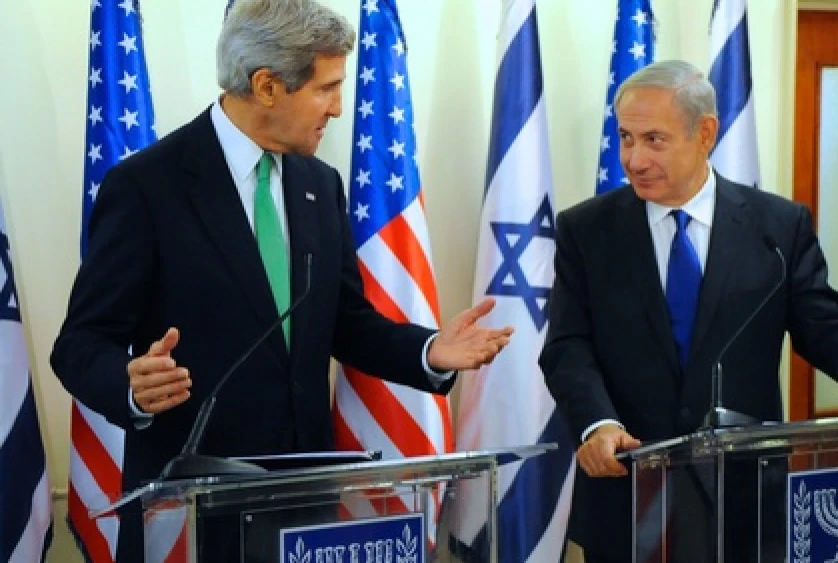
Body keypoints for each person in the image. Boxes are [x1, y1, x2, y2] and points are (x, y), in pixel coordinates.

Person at [50, 0, 513, 559]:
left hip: (301, 510)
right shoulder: (148, 187)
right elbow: (79, 344)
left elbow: (345, 322)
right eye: (325, 88)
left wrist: (430, 350)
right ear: (267, 86)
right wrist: (129, 385)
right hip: (190, 515)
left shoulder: (320, 184)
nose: (338, 109)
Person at [539, 59, 838, 562]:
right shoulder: (587, 231)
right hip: (627, 496)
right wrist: (596, 424)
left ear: (706, 133)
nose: (634, 158)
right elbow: (567, 347)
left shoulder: (776, 227)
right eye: (625, 137)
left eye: (654, 139)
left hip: (744, 501)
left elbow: (830, 334)